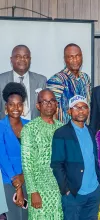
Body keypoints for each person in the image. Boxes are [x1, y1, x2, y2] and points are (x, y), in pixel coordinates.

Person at [50, 95, 100, 220]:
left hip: (93, 192)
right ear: (69, 111)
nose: (81, 111)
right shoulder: (61, 133)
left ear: (88, 111)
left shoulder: (92, 131)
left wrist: (98, 185)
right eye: (76, 107)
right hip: (74, 193)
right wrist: (66, 189)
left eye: (84, 107)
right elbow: (57, 164)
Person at [21, 89, 64, 219]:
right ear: (38, 106)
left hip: (59, 187)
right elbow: (27, 163)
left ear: (56, 104)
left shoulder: (62, 127)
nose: (49, 104)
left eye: (52, 101)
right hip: (39, 188)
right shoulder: (30, 129)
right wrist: (33, 191)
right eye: (44, 101)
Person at [0, 82, 29, 220]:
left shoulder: (29, 126)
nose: (16, 108)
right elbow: (3, 157)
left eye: (19, 104)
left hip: (28, 180)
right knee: (13, 217)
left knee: (26, 216)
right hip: (8, 181)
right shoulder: (1, 127)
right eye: (11, 104)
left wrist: (24, 177)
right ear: (6, 107)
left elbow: (33, 156)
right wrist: (17, 184)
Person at [47, 43, 92, 124]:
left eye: (78, 56)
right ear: (65, 59)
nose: (75, 60)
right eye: (71, 57)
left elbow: (88, 103)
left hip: (84, 129)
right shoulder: (57, 79)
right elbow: (51, 109)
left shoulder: (86, 78)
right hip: (65, 131)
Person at [0, 45, 47, 120]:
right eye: (18, 56)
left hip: (34, 128)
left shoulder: (41, 80)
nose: (22, 59)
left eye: (26, 57)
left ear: (30, 59)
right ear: (11, 59)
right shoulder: (1, 80)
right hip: (7, 128)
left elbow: (45, 110)